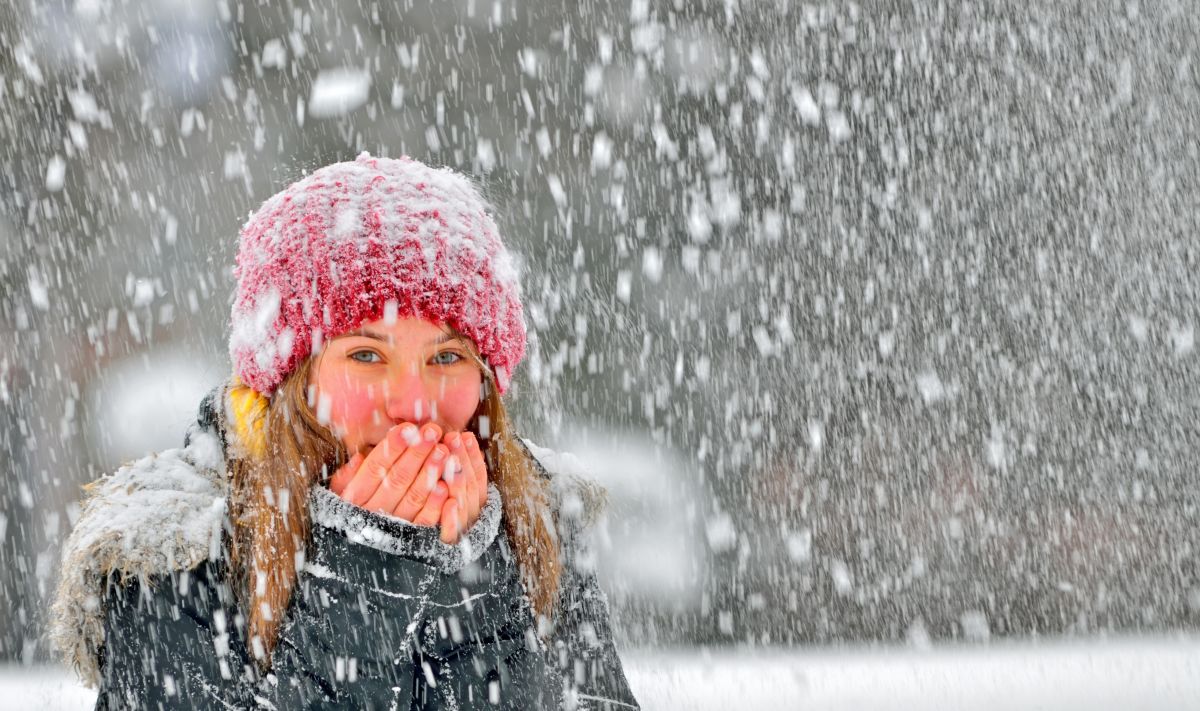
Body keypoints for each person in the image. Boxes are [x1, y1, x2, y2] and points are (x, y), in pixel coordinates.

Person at [50, 154, 641, 710]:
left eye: (446, 358)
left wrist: (472, 578)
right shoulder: (175, 550)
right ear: (289, 380)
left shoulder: (533, 515)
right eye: (365, 355)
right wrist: (361, 584)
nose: (413, 405)